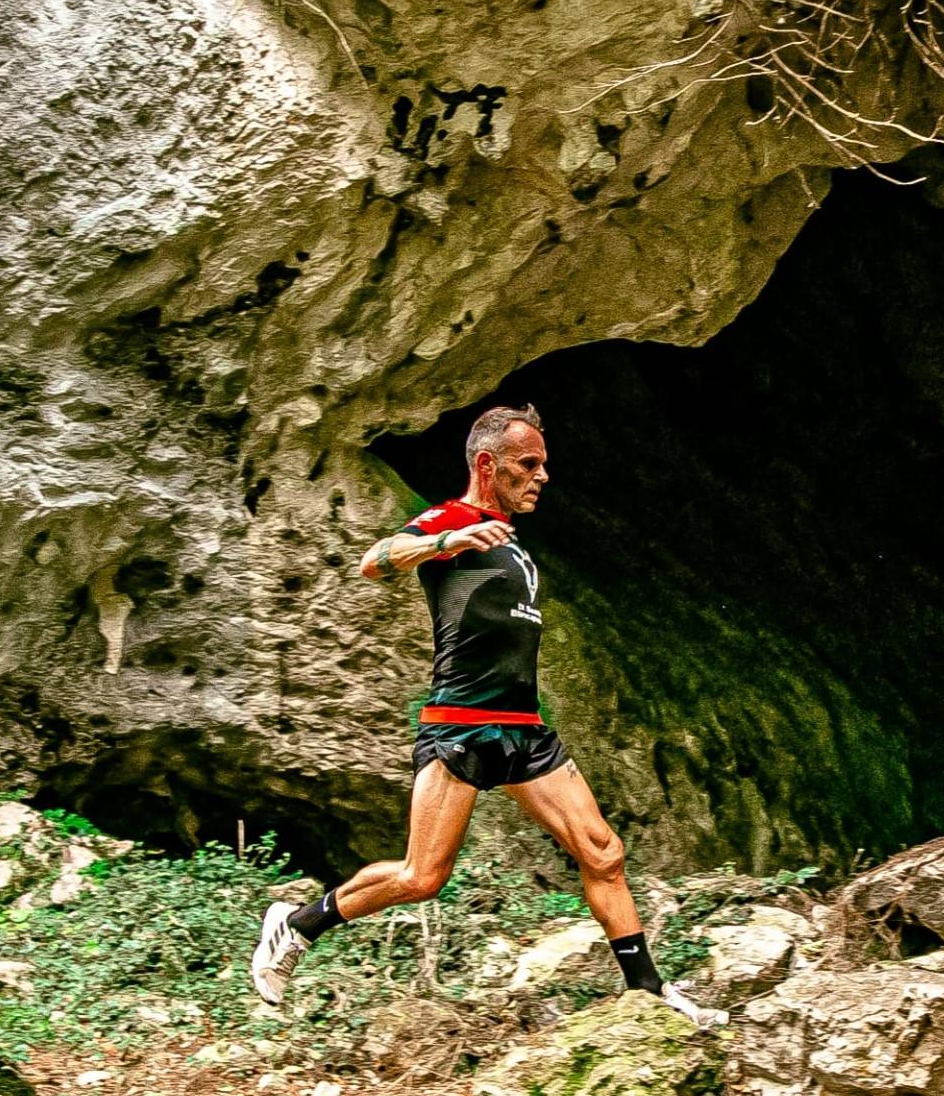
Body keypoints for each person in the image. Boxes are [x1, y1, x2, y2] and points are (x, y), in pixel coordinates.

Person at [250, 405, 726, 1028]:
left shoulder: (509, 540)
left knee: (603, 852)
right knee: (423, 876)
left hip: (524, 730)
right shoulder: (455, 519)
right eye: (529, 464)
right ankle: (298, 923)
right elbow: (376, 560)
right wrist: (447, 540)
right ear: (486, 464)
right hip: (461, 724)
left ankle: (648, 992)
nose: (543, 477)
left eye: (544, 465)